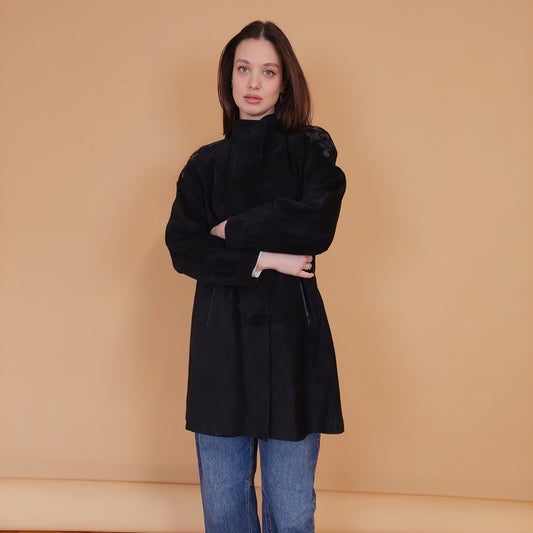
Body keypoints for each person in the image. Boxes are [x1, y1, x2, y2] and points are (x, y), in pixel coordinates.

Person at [165, 20, 345, 533]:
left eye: (268, 72)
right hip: (221, 350)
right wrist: (267, 258)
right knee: (224, 511)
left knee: (291, 512)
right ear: (229, 77)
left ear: (284, 82)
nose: (253, 82)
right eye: (244, 69)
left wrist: (232, 229)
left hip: (292, 351)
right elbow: (184, 246)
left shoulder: (310, 151)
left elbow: (316, 223)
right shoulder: (205, 165)